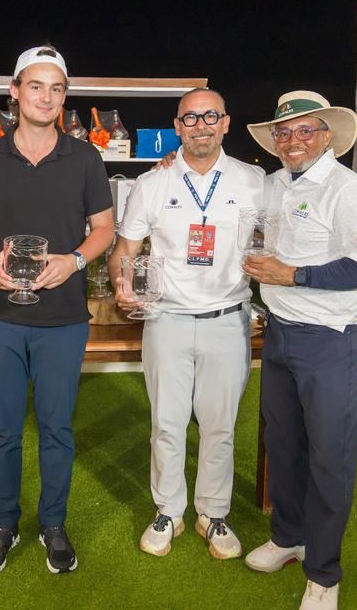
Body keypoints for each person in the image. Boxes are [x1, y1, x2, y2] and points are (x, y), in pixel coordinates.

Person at [0, 45, 114, 575]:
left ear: (64, 98)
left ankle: (53, 524)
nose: (45, 97)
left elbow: (104, 230)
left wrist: (73, 262)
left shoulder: (86, 157)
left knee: (56, 429)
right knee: (2, 430)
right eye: (35, 86)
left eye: (56, 88)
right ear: (15, 92)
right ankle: (4, 524)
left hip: (62, 319)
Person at [242, 91, 357, 610]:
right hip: (280, 330)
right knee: (283, 445)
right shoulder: (276, 182)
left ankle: (324, 572)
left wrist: (294, 273)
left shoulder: (351, 190)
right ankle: (288, 537)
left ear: (328, 135)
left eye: (305, 130)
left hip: (331, 339)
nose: (293, 140)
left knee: (329, 457)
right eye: (284, 132)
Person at [108, 88, 265, 559]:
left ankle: (212, 513)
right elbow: (125, 252)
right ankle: (168, 510)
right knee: (167, 423)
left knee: (220, 424)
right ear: (177, 128)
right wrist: (121, 283)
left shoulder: (254, 180)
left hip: (227, 319)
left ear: (226, 122)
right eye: (190, 118)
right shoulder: (151, 184)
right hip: (167, 319)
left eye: (209, 116)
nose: (200, 125)